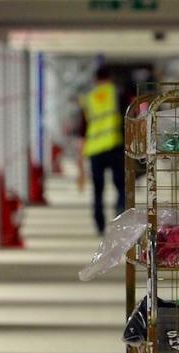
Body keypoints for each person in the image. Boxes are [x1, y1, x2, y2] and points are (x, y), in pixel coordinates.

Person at [78, 66, 126, 237]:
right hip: (115, 146)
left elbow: (82, 131)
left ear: (95, 79)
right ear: (110, 77)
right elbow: (128, 119)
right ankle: (120, 216)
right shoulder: (117, 94)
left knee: (98, 190)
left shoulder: (88, 99)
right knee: (121, 186)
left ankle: (99, 225)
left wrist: (79, 165)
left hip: (95, 150)